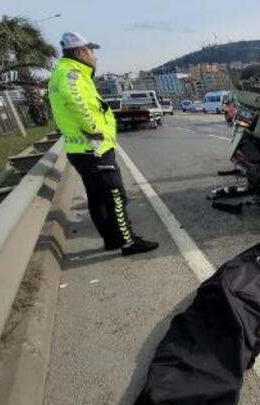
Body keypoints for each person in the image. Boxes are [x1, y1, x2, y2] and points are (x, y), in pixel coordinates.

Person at [48, 32, 158, 256]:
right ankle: (128, 242)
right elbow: (76, 102)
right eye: (91, 52)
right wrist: (94, 132)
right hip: (93, 148)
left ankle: (112, 240)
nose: (95, 57)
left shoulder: (60, 73)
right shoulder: (72, 75)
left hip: (80, 149)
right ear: (81, 53)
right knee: (115, 196)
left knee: (99, 198)